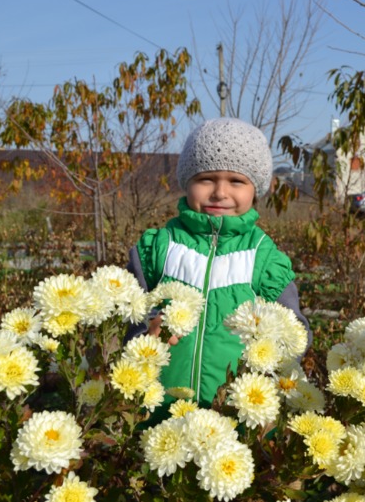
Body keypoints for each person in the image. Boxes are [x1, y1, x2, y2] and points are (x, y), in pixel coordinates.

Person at [126, 117, 311, 410]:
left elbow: (295, 331)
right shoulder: (158, 248)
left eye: (237, 181)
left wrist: (273, 359)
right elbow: (125, 315)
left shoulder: (264, 258)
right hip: (157, 410)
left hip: (236, 416)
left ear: (256, 188)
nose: (220, 192)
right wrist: (145, 332)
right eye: (206, 179)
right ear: (186, 181)